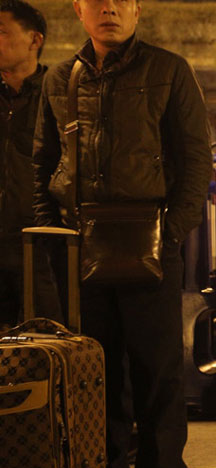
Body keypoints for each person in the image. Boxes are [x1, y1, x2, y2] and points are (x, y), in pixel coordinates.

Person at [32, 0, 212, 468]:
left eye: (120, 0)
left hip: (148, 235)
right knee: (94, 367)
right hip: (80, 240)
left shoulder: (168, 69)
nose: (108, 7)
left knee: (157, 367)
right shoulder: (61, 79)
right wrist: (55, 234)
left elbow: (195, 159)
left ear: (136, 10)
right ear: (79, 11)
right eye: (96, 0)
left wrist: (171, 232)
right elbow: (45, 160)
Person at [0, 0, 60, 330]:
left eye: (2, 32)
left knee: (46, 342)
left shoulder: (59, 94)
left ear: (34, 40)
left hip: (39, 248)